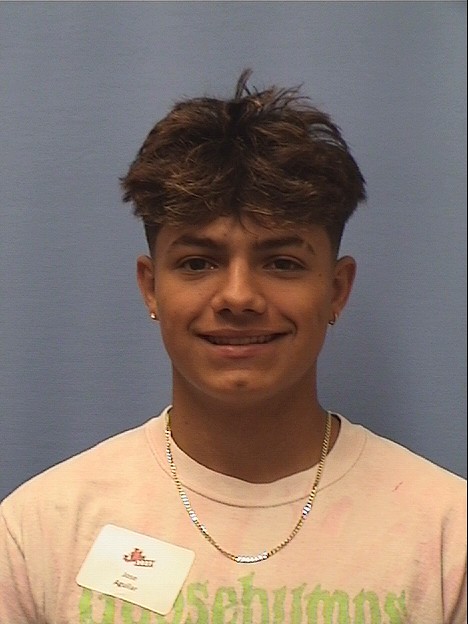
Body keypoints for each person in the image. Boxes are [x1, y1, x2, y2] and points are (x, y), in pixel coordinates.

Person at [0, 70, 465, 624]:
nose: (239, 296)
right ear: (151, 287)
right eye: (198, 263)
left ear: (337, 290)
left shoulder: (448, 535)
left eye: (282, 263)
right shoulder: (38, 531)